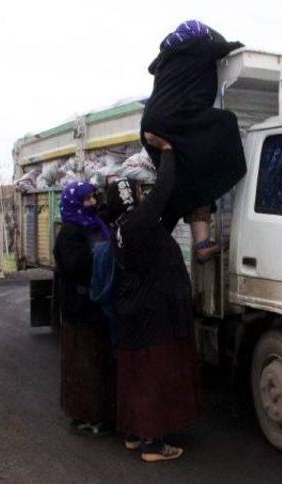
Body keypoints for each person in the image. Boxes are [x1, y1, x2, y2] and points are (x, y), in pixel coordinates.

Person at [107, 132, 202, 462]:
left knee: (135, 373)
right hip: (153, 312)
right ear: (131, 199)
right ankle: (153, 444)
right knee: (154, 375)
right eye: (137, 191)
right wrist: (168, 152)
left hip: (134, 311)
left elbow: (164, 213)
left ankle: (135, 433)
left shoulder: (123, 226)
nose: (142, 193)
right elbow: (162, 193)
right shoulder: (137, 224)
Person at [140, 20, 246, 263]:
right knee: (226, 122)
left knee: (186, 182)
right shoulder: (198, 46)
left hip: (152, 123)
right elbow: (235, 47)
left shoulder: (165, 58)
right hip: (175, 119)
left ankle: (198, 244)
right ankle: (236, 169)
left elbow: (151, 67)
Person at [53, 181, 114, 436]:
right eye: (86, 200)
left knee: (97, 361)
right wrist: (101, 254)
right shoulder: (70, 231)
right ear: (74, 203)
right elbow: (75, 265)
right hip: (79, 311)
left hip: (95, 307)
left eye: (93, 198)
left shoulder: (94, 224)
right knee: (83, 363)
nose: (91, 203)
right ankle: (85, 416)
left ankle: (97, 413)